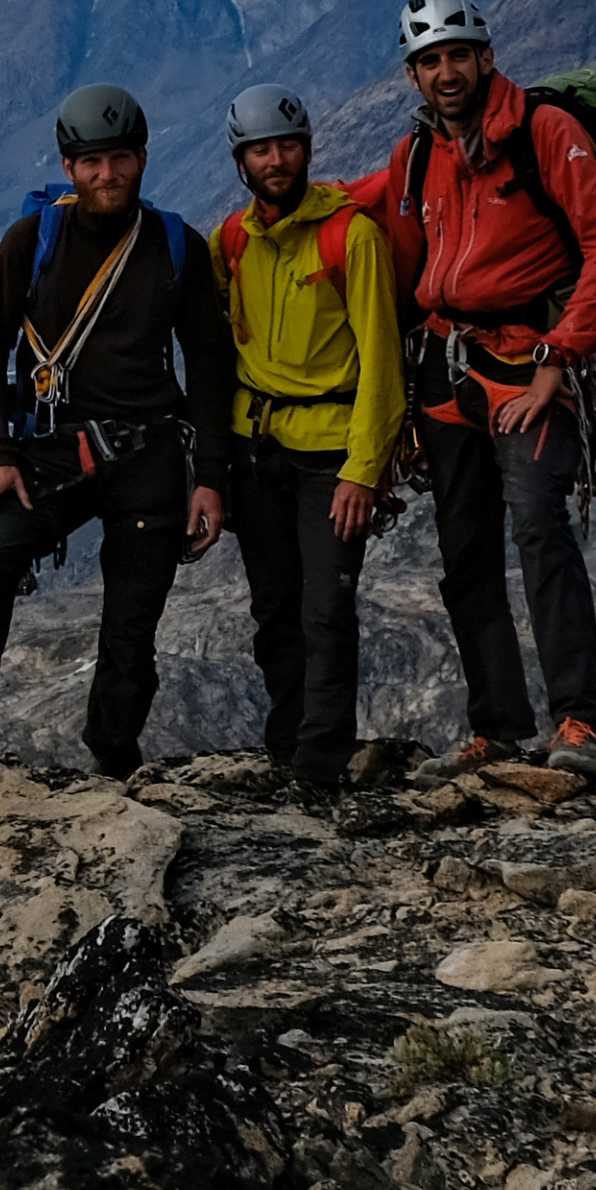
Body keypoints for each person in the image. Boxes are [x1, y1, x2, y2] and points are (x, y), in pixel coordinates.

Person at [0, 82, 231, 782]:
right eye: (92, 161)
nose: (108, 174)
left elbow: (211, 368)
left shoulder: (176, 248)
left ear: (142, 159)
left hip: (151, 454)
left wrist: (211, 480)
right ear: (69, 167)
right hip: (52, 451)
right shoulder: (32, 241)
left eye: (121, 158)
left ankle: (114, 756)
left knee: (131, 625)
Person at [382, 0, 596, 773]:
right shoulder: (416, 154)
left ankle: (580, 721)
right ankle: (496, 730)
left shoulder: (544, 132)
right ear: (413, 76)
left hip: (529, 363)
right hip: (446, 367)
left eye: (458, 56)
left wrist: (560, 359)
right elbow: (384, 228)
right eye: (430, 61)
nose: (446, 72)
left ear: (487, 58)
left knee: (538, 528)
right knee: (464, 550)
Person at [213, 81, 404, 807]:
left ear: (308, 150)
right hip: (256, 449)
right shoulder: (233, 242)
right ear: (241, 162)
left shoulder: (351, 237)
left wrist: (365, 470)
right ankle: (287, 743)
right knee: (274, 607)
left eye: (288, 146)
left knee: (326, 606)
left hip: (331, 455)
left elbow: (382, 362)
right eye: (261, 150)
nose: (276, 161)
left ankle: (321, 761)